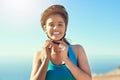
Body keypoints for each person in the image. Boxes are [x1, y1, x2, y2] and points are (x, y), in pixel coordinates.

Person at [30, 4, 92, 80]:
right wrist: (46, 60)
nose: (56, 28)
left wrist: (66, 59)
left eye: (60, 24)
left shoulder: (78, 50)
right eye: (51, 24)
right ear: (45, 28)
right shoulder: (39, 55)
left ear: (65, 27)